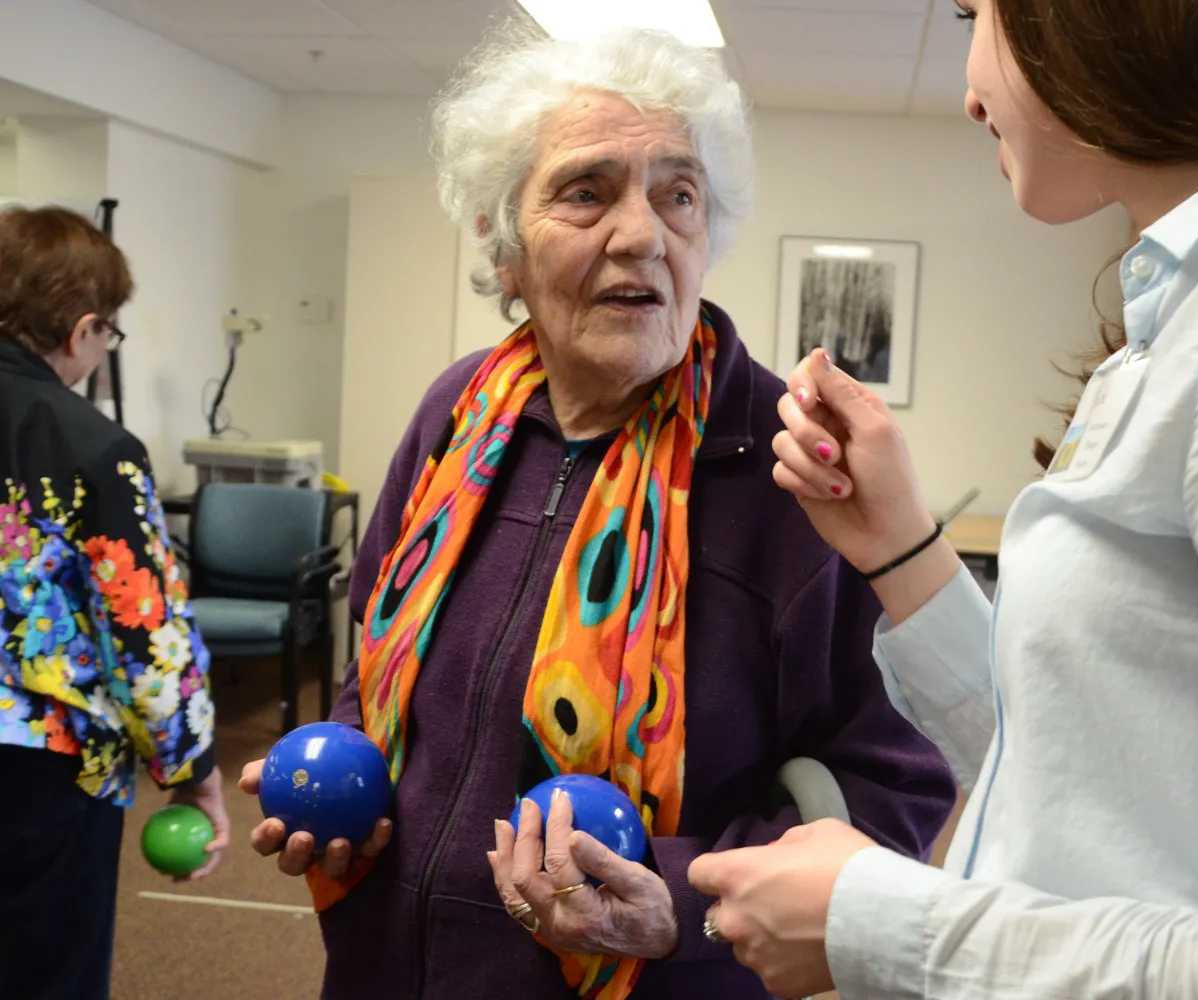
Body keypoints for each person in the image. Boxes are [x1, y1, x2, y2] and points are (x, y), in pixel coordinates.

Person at [687, 0, 1198, 998]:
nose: (970, 80)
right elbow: (1105, 776)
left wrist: (877, 920)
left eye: (974, 12)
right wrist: (903, 552)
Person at [237, 25, 956, 1000]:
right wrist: (347, 785)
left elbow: (890, 792)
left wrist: (683, 909)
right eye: (587, 190)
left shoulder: (791, 476)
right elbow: (376, 648)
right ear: (504, 246)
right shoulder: (458, 413)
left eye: (679, 193)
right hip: (380, 965)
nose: (642, 233)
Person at [0, 205, 227, 1000]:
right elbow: (146, 636)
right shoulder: (92, 448)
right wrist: (192, 768)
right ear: (82, 331)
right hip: (34, 773)